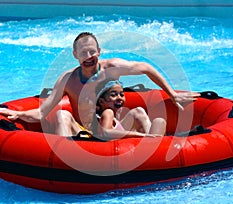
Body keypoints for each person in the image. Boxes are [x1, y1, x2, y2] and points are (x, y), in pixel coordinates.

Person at [0, 32, 200, 136]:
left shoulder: (111, 67)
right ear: (75, 55)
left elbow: (146, 67)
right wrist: (18, 114)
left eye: (92, 51)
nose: (89, 57)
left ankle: (156, 151)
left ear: (99, 51)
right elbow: (43, 113)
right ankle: (66, 164)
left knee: (139, 111)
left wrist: (172, 93)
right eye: (83, 53)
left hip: (112, 127)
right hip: (85, 134)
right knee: (62, 114)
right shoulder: (68, 79)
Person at [93, 79, 166, 139]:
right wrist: (138, 134)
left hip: (128, 146)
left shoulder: (114, 115)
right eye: (113, 95)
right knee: (159, 122)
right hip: (126, 151)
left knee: (140, 112)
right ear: (101, 101)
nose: (119, 98)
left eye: (122, 95)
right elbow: (105, 132)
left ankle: (151, 139)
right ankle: (151, 141)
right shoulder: (108, 112)